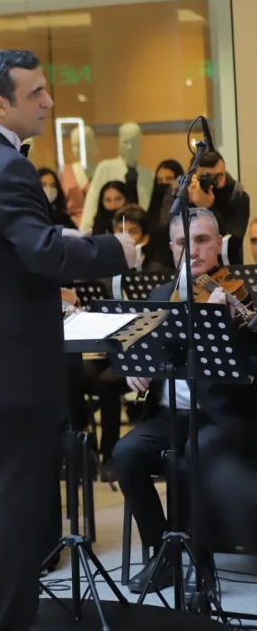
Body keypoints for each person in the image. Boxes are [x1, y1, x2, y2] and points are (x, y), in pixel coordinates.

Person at [0, 49, 134, 631]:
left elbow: (1, 247)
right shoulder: (7, 167)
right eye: (36, 93)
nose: (49, 102)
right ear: (0, 103)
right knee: (16, 512)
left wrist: (47, 235)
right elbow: (42, 254)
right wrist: (117, 251)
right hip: (12, 365)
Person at [115, 207, 257, 597]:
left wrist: (225, 330)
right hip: (167, 414)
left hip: (223, 417)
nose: (193, 250)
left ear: (219, 245)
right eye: (184, 242)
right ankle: (165, 552)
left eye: (202, 240)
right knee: (126, 452)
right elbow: (135, 353)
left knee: (196, 451)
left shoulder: (240, 296)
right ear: (172, 247)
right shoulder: (161, 296)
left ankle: (204, 567)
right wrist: (136, 371)